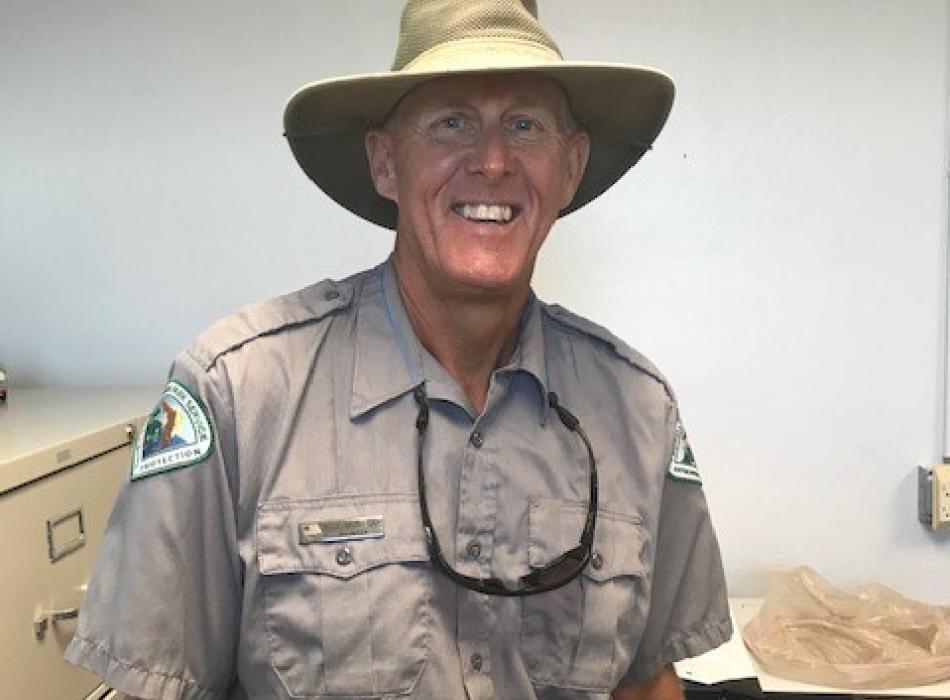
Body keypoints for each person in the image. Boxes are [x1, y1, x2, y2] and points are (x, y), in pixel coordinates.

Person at [66, 1, 731, 698]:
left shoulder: (637, 410)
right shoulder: (241, 394)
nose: (494, 161)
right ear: (386, 162)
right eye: (452, 122)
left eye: (525, 125)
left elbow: (647, 680)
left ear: (571, 168)